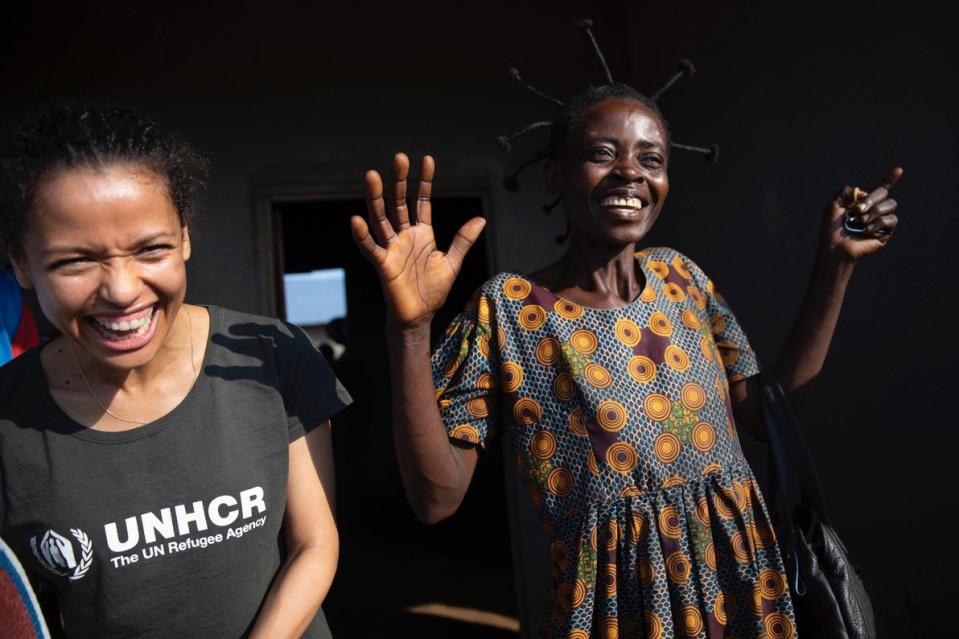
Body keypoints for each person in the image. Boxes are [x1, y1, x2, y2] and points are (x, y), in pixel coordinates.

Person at [351, 82, 899, 636]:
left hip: (742, 586)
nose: (630, 173)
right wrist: (412, 330)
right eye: (601, 154)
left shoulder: (683, 277)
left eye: (650, 159)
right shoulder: (508, 309)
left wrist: (835, 266)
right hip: (616, 608)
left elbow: (762, 411)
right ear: (554, 176)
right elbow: (435, 499)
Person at [0, 104, 350, 638]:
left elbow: (315, 544)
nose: (121, 290)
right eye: (74, 261)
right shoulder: (8, 419)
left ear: (185, 237)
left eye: (151, 249)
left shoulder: (269, 355)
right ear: (21, 263)